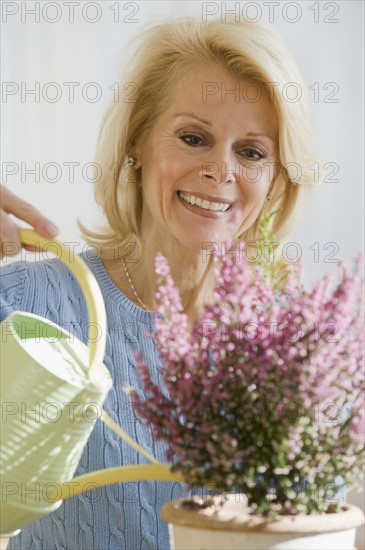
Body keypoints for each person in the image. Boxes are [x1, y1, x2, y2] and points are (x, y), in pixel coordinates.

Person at [0, 16, 317, 550]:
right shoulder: (33, 307)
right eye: (193, 138)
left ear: (277, 179)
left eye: (252, 152)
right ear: (135, 145)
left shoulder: (296, 344)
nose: (221, 170)